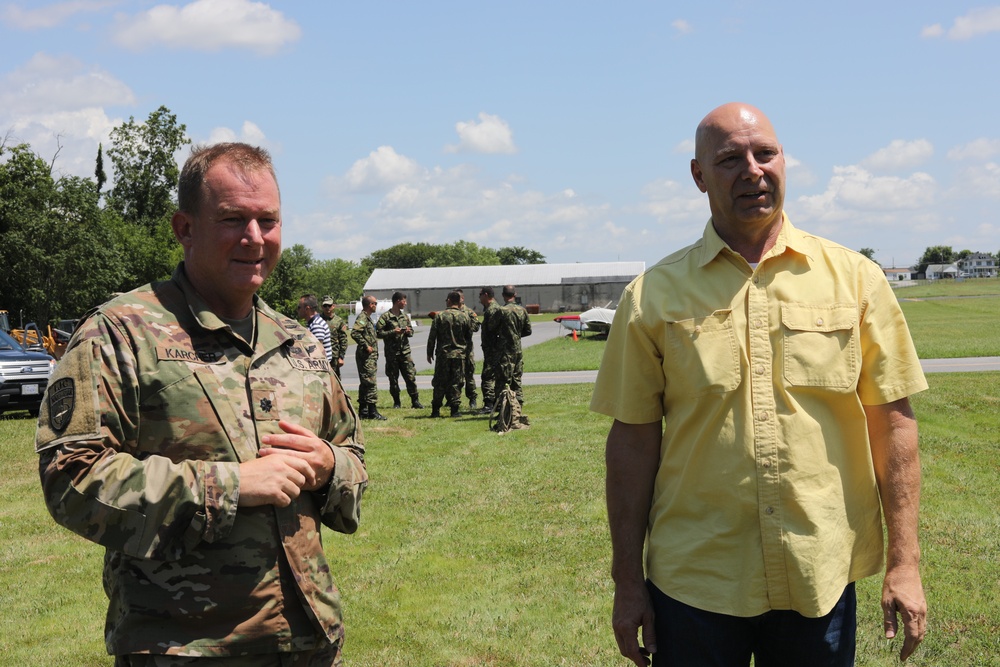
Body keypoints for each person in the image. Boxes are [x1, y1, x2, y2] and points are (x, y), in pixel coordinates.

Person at [590, 103, 928, 667]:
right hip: (696, 580)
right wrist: (628, 582)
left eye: (764, 153)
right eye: (728, 159)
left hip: (816, 570)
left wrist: (905, 563)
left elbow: (893, 424)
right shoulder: (652, 297)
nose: (752, 170)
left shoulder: (855, 279)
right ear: (699, 177)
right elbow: (632, 442)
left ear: (784, 161)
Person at [35, 142, 368, 666]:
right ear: (185, 228)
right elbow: (71, 479)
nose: (254, 238)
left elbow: (352, 455)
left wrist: (329, 466)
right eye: (233, 219)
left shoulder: (298, 343)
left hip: (309, 643)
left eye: (268, 220)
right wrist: (231, 485)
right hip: (184, 649)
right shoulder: (121, 334)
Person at [426, 291, 472, 418]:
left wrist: (429, 352)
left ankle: (436, 410)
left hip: (443, 355)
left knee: (440, 382)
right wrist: (466, 352)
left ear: (450, 301)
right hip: (459, 355)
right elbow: (468, 337)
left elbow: (432, 336)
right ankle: (455, 409)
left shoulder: (440, 316)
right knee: (456, 382)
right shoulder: (465, 316)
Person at [376, 291, 423, 409]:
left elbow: (411, 332)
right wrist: (393, 332)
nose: (405, 303)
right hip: (392, 354)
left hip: (405, 352)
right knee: (393, 379)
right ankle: (397, 402)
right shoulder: (385, 317)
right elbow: (378, 333)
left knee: (410, 377)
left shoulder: (404, 316)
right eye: (404, 301)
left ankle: (415, 401)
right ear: (398, 301)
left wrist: (408, 331)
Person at [487, 285, 531, 406]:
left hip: (504, 351)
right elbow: (528, 330)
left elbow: (491, 327)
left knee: (501, 380)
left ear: (503, 295)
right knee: (516, 379)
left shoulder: (501, 311)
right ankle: (518, 406)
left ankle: (502, 408)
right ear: (515, 294)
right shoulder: (523, 310)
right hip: (517, 350)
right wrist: (515, 335)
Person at [352, 294, 385, 421]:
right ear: (370, 305)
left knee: (365, 383)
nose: (376, 305)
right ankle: (372, 411)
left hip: (369, 356)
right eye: (375, 303)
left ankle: (363, 411)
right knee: (370, 383)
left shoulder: (368, 318)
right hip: (366, 356)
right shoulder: (363, 318)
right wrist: (366, 345)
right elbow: (355, 332)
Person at [455, 289, 481, 410]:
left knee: (469, 375)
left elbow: (476, 327)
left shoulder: (469, 312)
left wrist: (464, 323)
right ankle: (454, 399)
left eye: (459, 297)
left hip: (466, 349)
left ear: (463, 298)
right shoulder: (450, 311)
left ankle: (472, 398)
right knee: (455, 376)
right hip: (454, 349)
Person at [477, 286, 501, 414]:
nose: (479, 298)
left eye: (480, 295)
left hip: (493, 349)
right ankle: (496, 402)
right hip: (492, 349)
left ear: (486, 295)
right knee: (493, 376)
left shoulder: (492, 310)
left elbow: (493, 331)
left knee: (487, 376)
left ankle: (489, 404)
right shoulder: (491, 309)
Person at [299, 293, 333, 363]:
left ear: (307, 309)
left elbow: (316, 351)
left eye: (299, 307)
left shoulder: (316, 325)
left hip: (320, 366)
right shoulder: (313, 323)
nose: (297, 310)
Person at [321, 295, 349, 379]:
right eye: (325, 306)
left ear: (333, 306)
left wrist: (341, 357)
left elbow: (343, 340)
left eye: (329, 305)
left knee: (335, 379)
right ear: (322, 307)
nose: (327, 308)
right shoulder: (318, 320)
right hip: (321, 355)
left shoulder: (338, 321)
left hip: (334, 356)